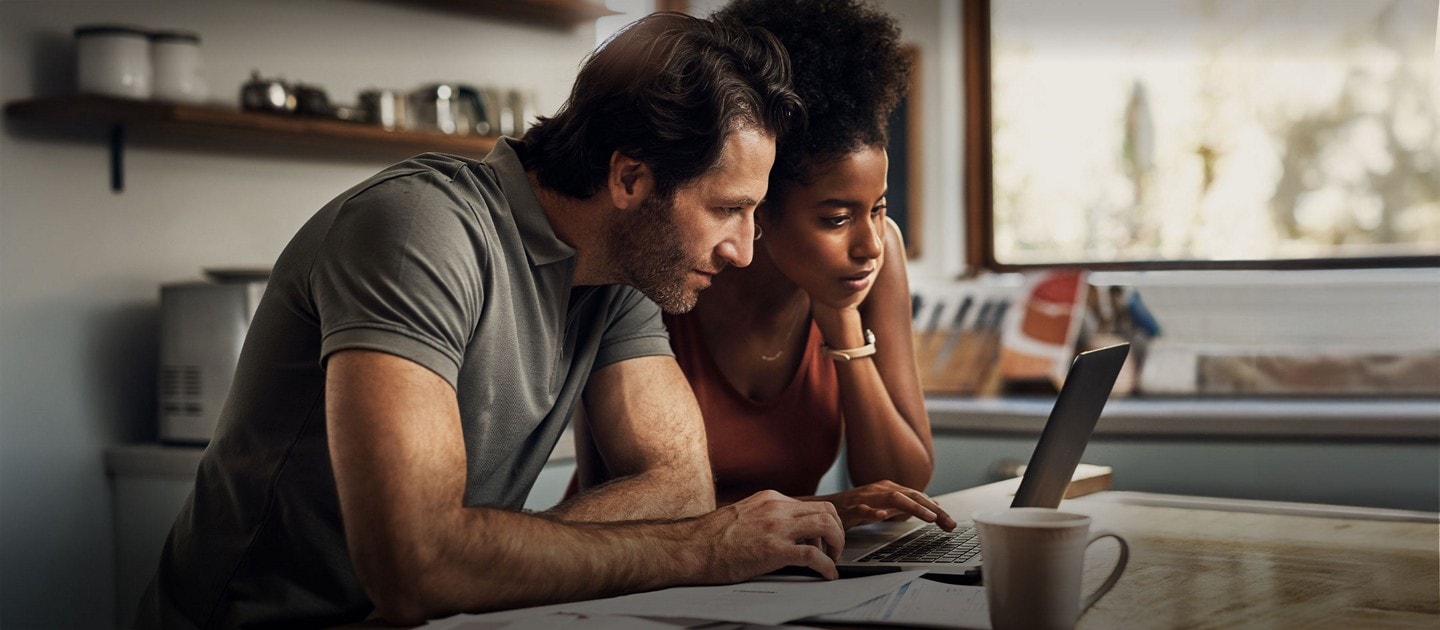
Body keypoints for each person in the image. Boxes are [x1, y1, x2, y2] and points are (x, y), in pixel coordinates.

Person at [135, 13, 848, 629]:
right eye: (727, 209)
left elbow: (680, 488)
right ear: (630, 179)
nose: (744, 249)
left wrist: (478, 562)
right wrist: (700, 550)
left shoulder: (623, 270)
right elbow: (419, 564)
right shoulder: (419, 229)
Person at [571, 0, 957, 533]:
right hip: (635, 561)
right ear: (759, 204)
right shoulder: (665, 267)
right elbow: (620, 499)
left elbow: (903, 485)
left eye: (879, 207)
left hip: (779, 564)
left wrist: (842, 324)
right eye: (836, 218)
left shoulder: (871, 262)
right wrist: (825, 509)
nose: (870, 244)